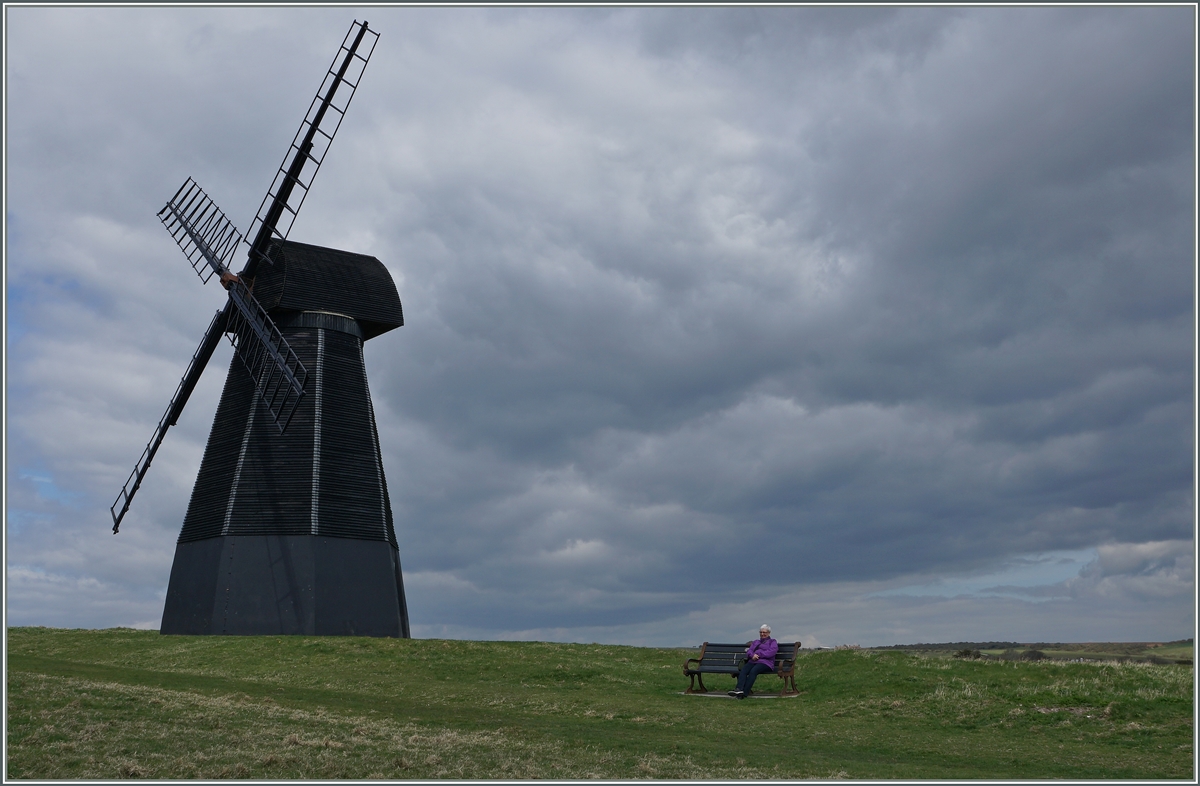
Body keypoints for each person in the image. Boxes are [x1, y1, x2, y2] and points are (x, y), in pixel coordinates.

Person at [729, 625, 777, 699]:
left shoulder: (772, 642)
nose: (762, 634)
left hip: (766, 663)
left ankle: (744, 693)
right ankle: (739, 689)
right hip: (753, 661)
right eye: (761, 632)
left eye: (764, 632)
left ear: (768, 633)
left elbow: (772, 652)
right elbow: (749, 651)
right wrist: (752, 656)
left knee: (753, 671)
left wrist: (759, 655)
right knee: (744, 670)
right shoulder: (756, 642)